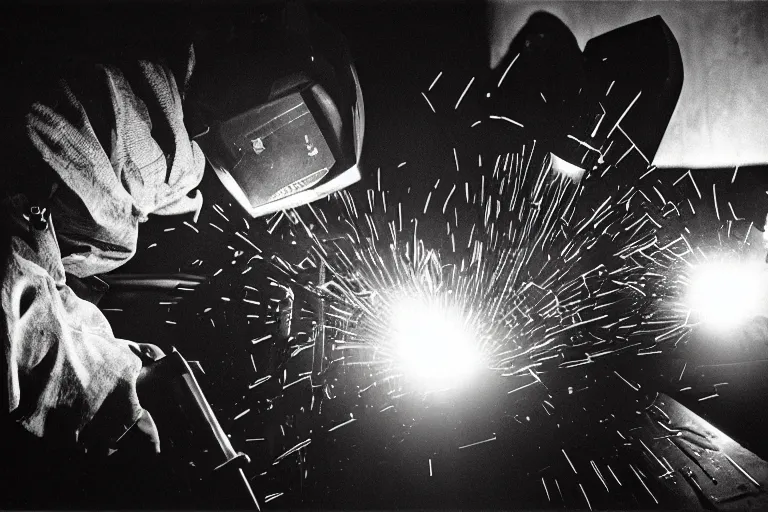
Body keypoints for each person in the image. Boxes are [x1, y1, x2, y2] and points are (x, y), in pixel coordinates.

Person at [0, 1, 363, 508]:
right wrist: (112, 397)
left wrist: (125, 364)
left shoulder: (173, 160)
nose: (265, 152)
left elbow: (49, 274)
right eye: (279, 137)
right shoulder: (142, 114)